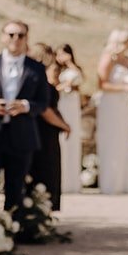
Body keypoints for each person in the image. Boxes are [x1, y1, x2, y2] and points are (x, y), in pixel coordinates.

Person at [0, 20, 48, 197]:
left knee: (16, 187)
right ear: (3, 37)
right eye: (11, 34)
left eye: (20, 35)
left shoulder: (36, 68)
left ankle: (15, 222)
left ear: (26, 38)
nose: (16, 39)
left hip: (22, 134)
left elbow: (44, 102)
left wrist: (26, 106)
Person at [94, 29, 128, 195]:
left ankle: (124, 181)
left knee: (123, 140)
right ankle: (110, 183)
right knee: (111, 140)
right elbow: (101, 84)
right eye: (127, 40)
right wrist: (124, 88)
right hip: (110, 104)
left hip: (124, 105)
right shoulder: (108, 58)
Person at [30, 43, 72, 209]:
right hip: (44, 131)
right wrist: (64, 125)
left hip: (45, 131)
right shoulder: (41, 82)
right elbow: (45, 110)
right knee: (46, 169)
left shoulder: (40, 79)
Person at [53, 44, 84, 199]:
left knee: (73, 141)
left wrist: (70, 62)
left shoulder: (74, 69)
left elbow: (79, 77)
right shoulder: (56, 70)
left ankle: (72, 181)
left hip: (72, 105)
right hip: (61, 104)